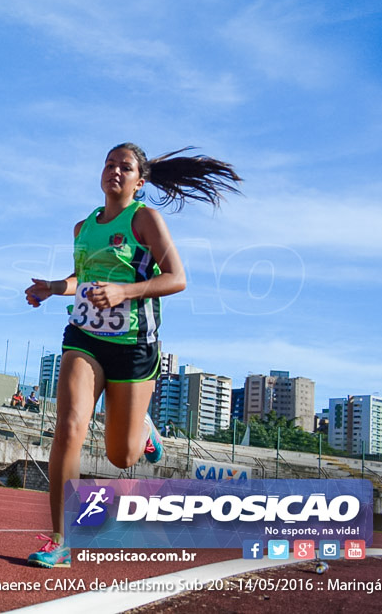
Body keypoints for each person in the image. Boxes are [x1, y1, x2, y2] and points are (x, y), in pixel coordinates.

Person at [23, 142, 240, 568]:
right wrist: (53, 287)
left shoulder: (145, 220)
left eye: (124, 167)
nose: (114, 172)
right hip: (84, 338)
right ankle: (61, 540)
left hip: (135, 346)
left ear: (140, 181)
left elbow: (177, 278)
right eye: (108, 164)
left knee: (121, 456)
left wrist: (125, 291)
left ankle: (144, 433)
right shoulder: (82, 227)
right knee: (68, 427)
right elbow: (83, 279)